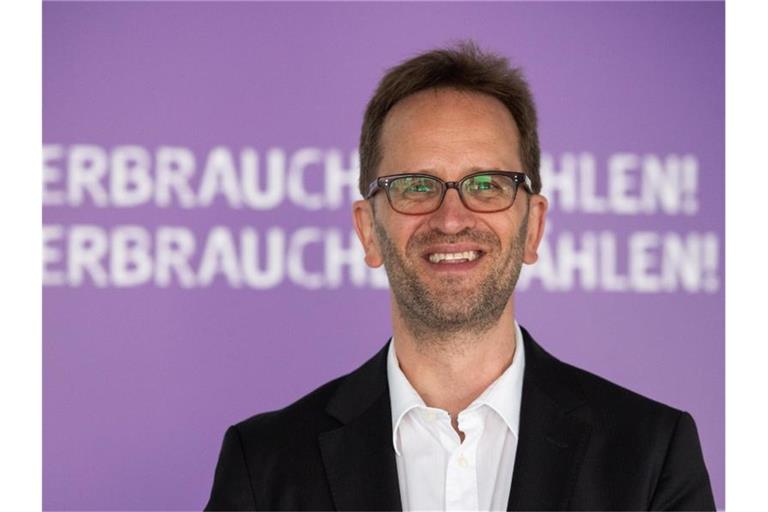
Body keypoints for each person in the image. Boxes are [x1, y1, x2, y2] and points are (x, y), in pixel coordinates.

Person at [205, 42, 715, 511]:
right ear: (368, 231)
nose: (451, 218)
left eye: (488, 184)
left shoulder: (651, 455)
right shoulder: (265, 464)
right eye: (415, 186)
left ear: (533, 226)